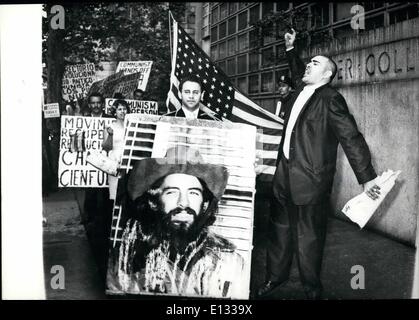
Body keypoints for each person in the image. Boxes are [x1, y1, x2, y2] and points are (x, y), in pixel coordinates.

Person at [257, 29, 381, 299]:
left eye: (315, 63)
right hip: (283, 178)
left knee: (310, 238)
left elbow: (351, 137)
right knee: (279, 232)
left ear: (326, 74)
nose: (309, 65)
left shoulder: (330, 99)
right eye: (309, 62)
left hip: (311, 182)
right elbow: (299, 68)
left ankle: (311, 287)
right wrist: (291, 49)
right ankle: (274, 279)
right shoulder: (301, 90)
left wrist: (367, 177)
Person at [107, 146, 245, 297]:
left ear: (204, 203)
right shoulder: (124, 260)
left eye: (193, 193)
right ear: (154, 202)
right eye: (172, 192)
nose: (183, 203)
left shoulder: (229, 262)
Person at [103, 99, 130, 201]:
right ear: (115, 112)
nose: (122, 111)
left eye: (124, 109)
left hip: (129, 161)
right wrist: (110, 135)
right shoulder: (109, 127)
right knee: (115, 194)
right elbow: (105, 147)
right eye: (119, 109)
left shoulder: (131, 126)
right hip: (115, 162)